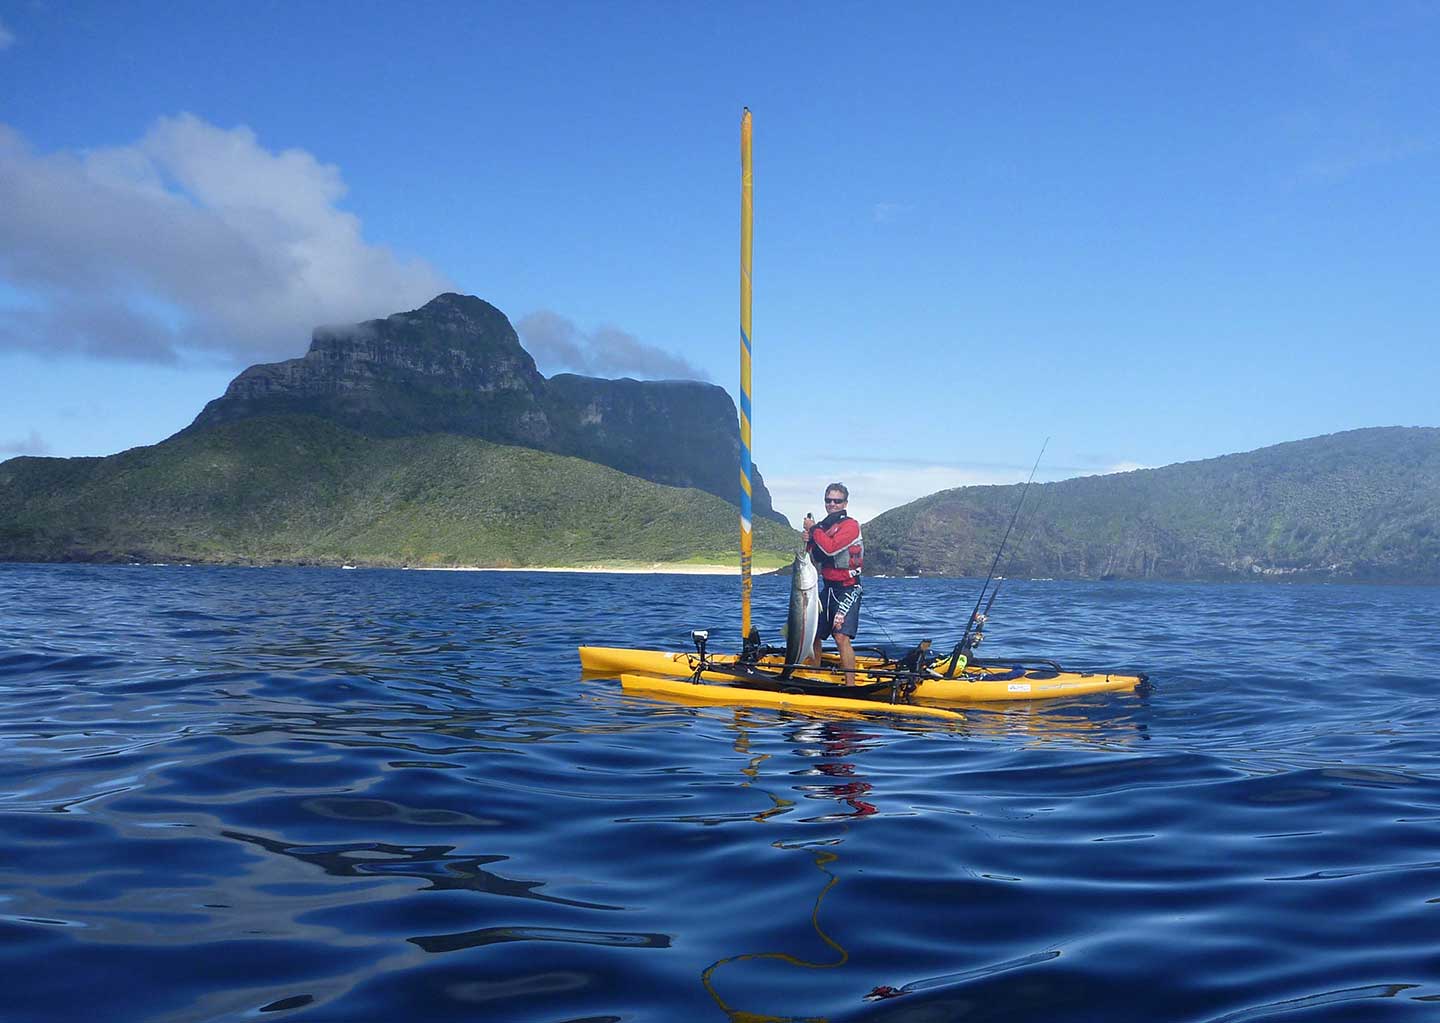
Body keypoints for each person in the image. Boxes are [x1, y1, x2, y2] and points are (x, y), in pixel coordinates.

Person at [801, 482, 863, 685]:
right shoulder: (825, 527)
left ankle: (850, 685)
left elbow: (830, 548)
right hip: (828, 588)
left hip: (848, 588)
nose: (832, 504)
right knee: (813, 633)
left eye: (837, 501)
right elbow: (817, 556)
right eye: (828, 501)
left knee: (840, 636)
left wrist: (814, 529)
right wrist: (809, 540)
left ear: (845, 503)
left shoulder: (851, 526)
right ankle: (814, 675)